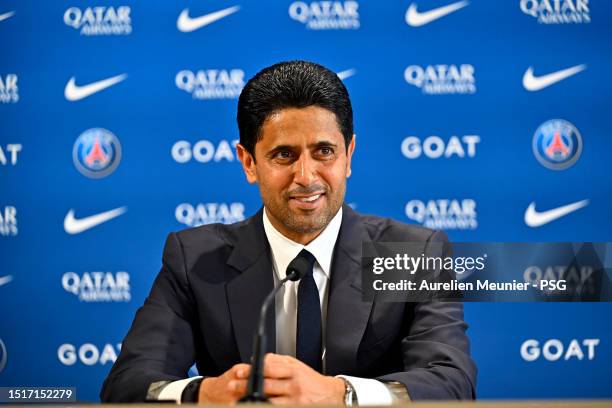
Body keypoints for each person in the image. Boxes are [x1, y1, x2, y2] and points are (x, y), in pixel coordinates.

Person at [100, 60, 477, 404]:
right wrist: (203, 392)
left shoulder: (410, 254)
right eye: (284, 155)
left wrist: (340, 393)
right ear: (249, 162)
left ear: (349, 155)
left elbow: (451, 382)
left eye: (324, 151)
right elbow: (128, 383)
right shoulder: (195, 259)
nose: (307, 177)